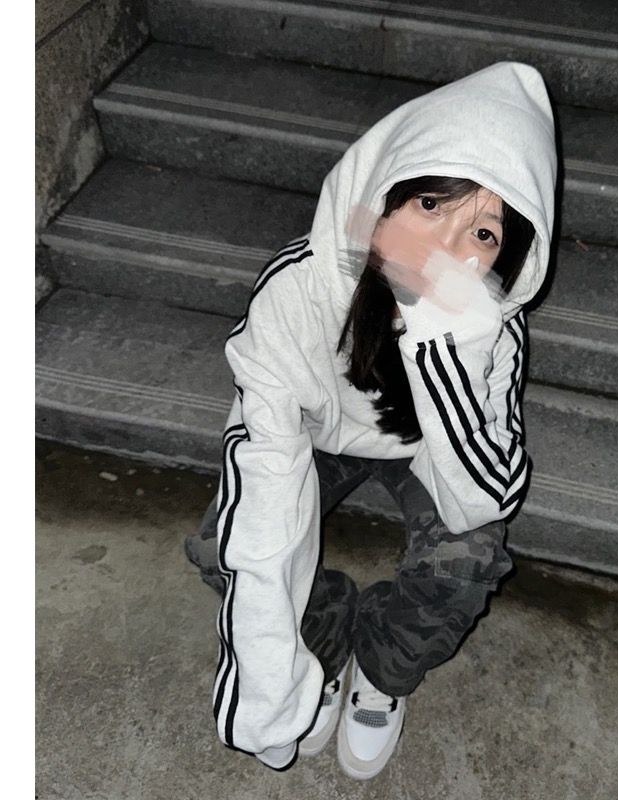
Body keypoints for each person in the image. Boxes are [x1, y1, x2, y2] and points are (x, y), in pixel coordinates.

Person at [185, 60, 557, 780]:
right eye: (430, 204)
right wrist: (269, 683)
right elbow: (262, 465)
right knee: (221, 546)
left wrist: (446, 351)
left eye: (484, 233)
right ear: (383, 196)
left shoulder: (489, 329)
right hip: (320, 434)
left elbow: (486, 496)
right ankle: (322, 644)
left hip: (425, 450)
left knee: (467, 561)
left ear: (504, 260)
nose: (447, 248)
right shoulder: (301, 287)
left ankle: (382, 672)